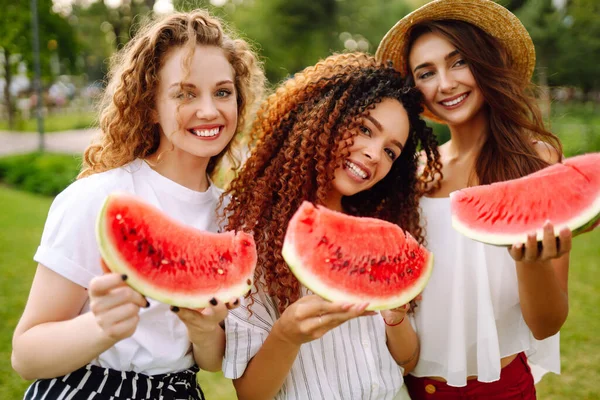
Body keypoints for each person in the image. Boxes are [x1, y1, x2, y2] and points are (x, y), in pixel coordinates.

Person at [11, 10, 265, 400]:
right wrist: (102, 327)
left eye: (223, 92)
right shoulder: (98, 198)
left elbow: (210, 361)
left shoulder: (230, 215)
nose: (210, 110)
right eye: (185, 93)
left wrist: (203, 329)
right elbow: (26, 355)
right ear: (150, 106)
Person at [375, 0, 571, 398]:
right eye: (426, 72)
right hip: (412, 387)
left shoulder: (537, 163)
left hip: (501, 388)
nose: (445, 83)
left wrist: (528, 261)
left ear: (484, 63)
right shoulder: (411, 173)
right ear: (416, 91)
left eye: (458, 62)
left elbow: (547, 324)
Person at [220, 52, 441, 400]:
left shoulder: (379, 231)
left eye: (391, 152)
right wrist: (287, 334)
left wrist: (395, 315)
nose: (373, 154)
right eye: (365, 129)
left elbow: (407, 360)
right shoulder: (255, 236)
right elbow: (251, 393)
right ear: (324, 117)